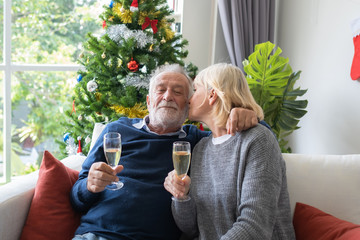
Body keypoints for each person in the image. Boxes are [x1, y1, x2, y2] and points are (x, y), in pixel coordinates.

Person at [70, 64, 259, 240]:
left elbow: (241, 139)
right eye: (160, 90)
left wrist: (249, 115)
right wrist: (89, 185)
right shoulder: (116, 131)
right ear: (149, 100)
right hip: (97, 234)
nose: (168, 97)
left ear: (188, 104)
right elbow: (76, 199)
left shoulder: (197, 141)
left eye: (177, 92)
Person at [164, 63, 296, 240]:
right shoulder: (201, 149)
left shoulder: (258, 140)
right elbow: (192, 229)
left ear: (212, 95)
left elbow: (255, 227)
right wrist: (181, 197)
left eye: (195, 90)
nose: (189, 99)